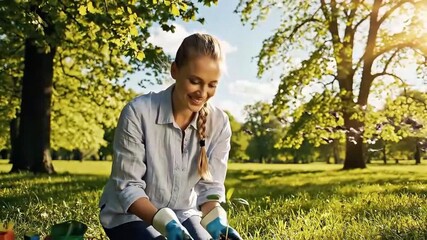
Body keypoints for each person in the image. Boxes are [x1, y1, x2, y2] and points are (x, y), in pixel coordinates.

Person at [98, 33, 242, 240]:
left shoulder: (219, 123)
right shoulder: (138, 112)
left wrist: (218, 222)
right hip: (129, 216)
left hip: (184, 212)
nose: (202, 93)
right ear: (175, 70)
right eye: (195, 81)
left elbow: (210, 187)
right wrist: (167, 224)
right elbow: (128, 187)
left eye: (212, 85)